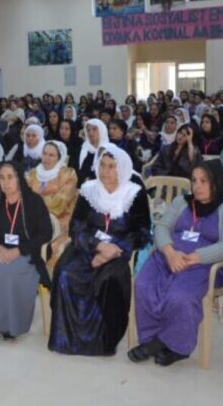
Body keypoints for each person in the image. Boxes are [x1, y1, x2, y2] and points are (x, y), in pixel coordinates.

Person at [131, 161, 223, 366]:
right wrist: (170, 252)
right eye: (194, 180)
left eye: (204, 181)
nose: (197, 186)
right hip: (169, 256)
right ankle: (152, 339)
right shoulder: (181, 202)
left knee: (179, 296)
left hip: (205, 264)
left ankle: (175, 346)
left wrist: (195, 257)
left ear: (217, 182)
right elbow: (162, 227)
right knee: (144, 285)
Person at [48, 145, 151, 356]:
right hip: (87, 246)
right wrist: (98, 247)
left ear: (122, 168)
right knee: (66, 273)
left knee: (108, 280)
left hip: (117, 252)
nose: (105, 171)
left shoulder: (134, 193)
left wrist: (112, 251)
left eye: (112, 166)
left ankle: (102, 342)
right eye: (102, 165)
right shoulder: (89, 190)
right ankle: (67, 338)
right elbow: (76, 226)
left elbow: (142, 233)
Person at [0, 161, 53, 344]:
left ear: (19, 178)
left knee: (9, 274)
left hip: (26, 252)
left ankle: (12, 325)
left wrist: (18, 251)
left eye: (10, 177)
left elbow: (46, 232)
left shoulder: (33, 201)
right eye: (1, 178)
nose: (5, 182)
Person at [25, 140, 78, 268]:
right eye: (45, 153)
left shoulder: (68, 174)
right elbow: (24, 199)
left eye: (51, 155)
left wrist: (36, 197)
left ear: (59, 158)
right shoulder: (32, 174)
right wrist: (46, 196)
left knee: (53, 248)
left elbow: (58, 204)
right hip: (31, 218)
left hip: (59, 221)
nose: (47, 158)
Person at [78, 119, 110, 185]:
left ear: (102, 130)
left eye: (94, 129)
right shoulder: (82, 149)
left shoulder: (109, 150)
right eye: (88, 130)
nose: (90, 132)